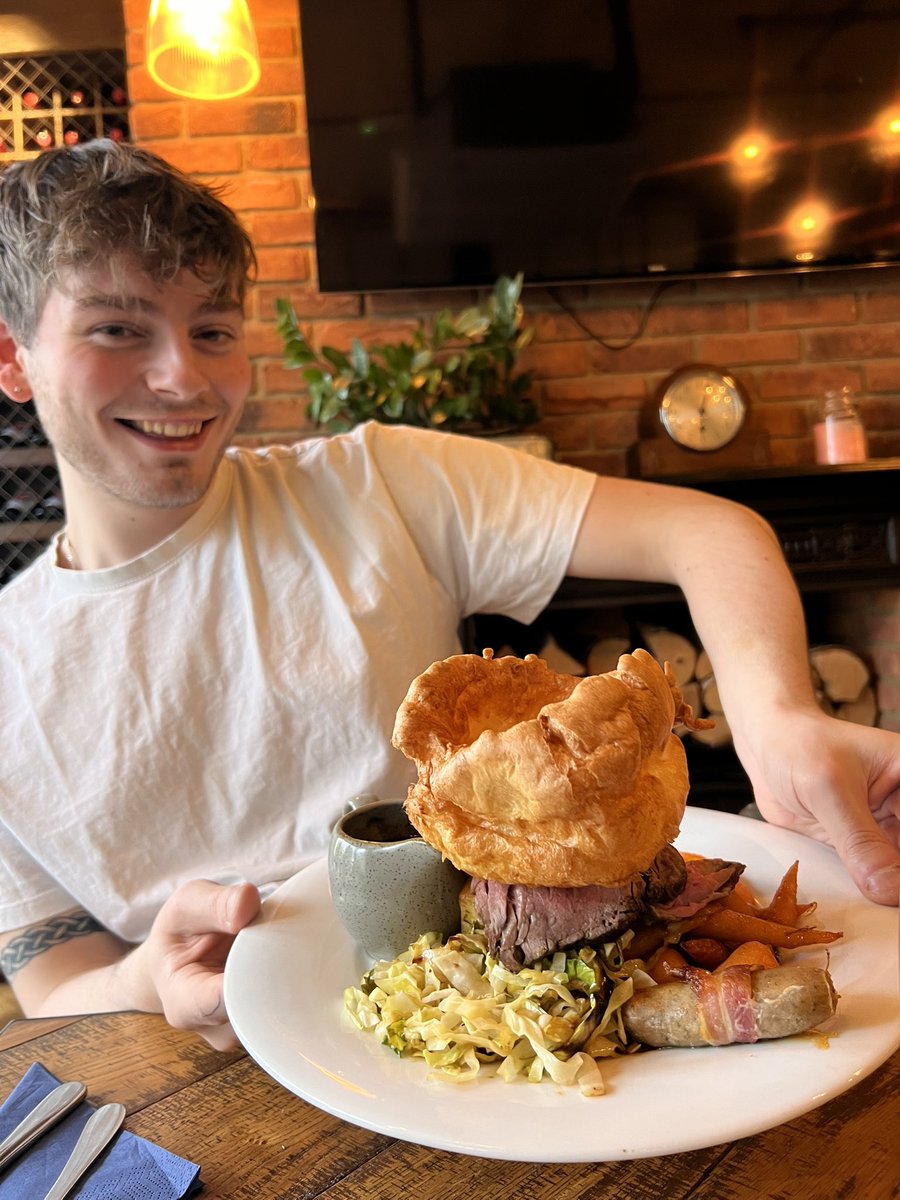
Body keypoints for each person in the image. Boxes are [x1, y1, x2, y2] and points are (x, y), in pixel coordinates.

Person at [0, 142, 897, 1051]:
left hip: (518, 1038)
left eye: (214, 330)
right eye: (117, 329)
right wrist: (140, 978)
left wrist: (777, 719)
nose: (184, 378)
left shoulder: (380, 483)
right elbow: (53, 977)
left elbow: (709, 531)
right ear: (13, 357)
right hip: (215, 1076)